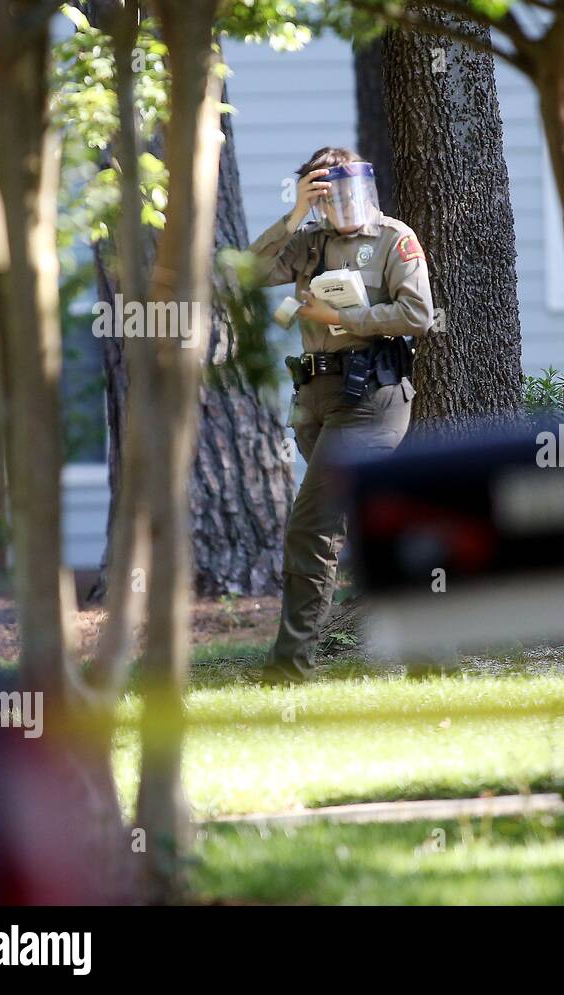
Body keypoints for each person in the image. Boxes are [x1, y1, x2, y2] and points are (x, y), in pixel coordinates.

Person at [251, 146, 433, 684]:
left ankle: (290, 667)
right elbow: (251, 272)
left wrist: (343, 315)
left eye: (346, 190)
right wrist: (294, 215)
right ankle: (431, 650)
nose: (341, 204)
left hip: (372, 398)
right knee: (380, 529)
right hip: (316, 401)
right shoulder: (307, 242)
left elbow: (418, 314)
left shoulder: (392, 237)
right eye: (325, 195)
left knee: (312, 525)